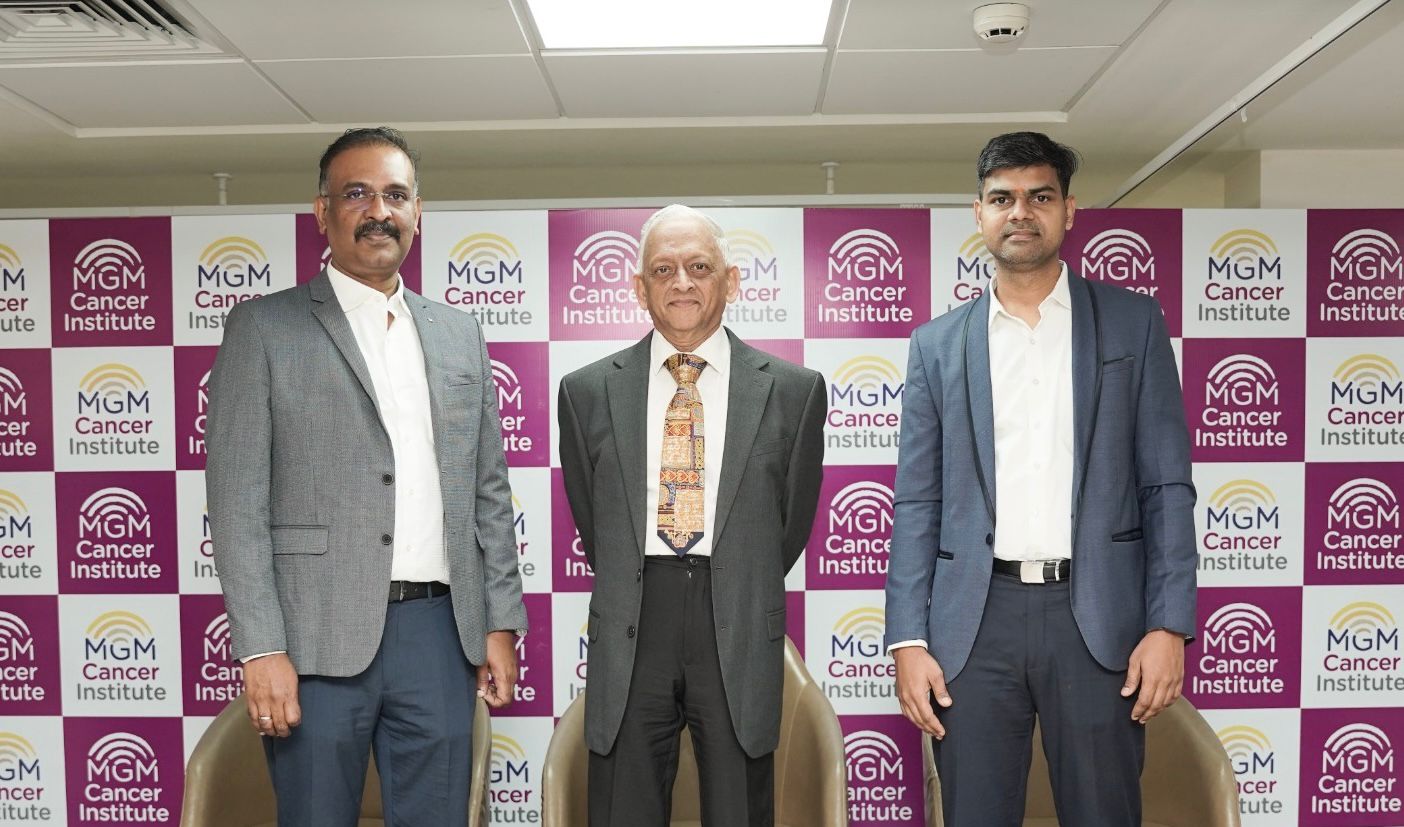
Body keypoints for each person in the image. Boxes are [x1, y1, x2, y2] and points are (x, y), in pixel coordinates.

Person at [206, 126, 527, 826]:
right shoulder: (263, 328)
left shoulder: (459, 332)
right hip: (312, 642)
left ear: (418, 212)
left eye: (395, 195)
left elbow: (488, 492)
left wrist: (501, 621)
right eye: (357, 194)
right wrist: (261, 648)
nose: (378, 211)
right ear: (322, 212)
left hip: (439, 636)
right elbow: (235, 506)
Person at [883, 131, 1196, 826]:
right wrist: (907, 637)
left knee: (1103, 812)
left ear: (1069, 210)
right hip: (974, 624)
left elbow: (1166, 487)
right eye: (1002, 198)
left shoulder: (1133, 323)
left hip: (1099, 620)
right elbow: (918, 500)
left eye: (1039, 197)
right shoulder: (936, 344)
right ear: (979, 213)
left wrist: (1169, 623)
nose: (1020, 212)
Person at [557, 204, 827, 826]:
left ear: (731, 282)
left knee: (739, 808)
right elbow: (595, 523)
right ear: (639, 288)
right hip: (634, 618)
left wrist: (734, 571)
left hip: (737, 615)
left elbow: (788, 527)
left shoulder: (794, 391)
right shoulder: (586, 391)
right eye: (663, 269)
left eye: (699, 267)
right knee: (623, 807)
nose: (681, 282)